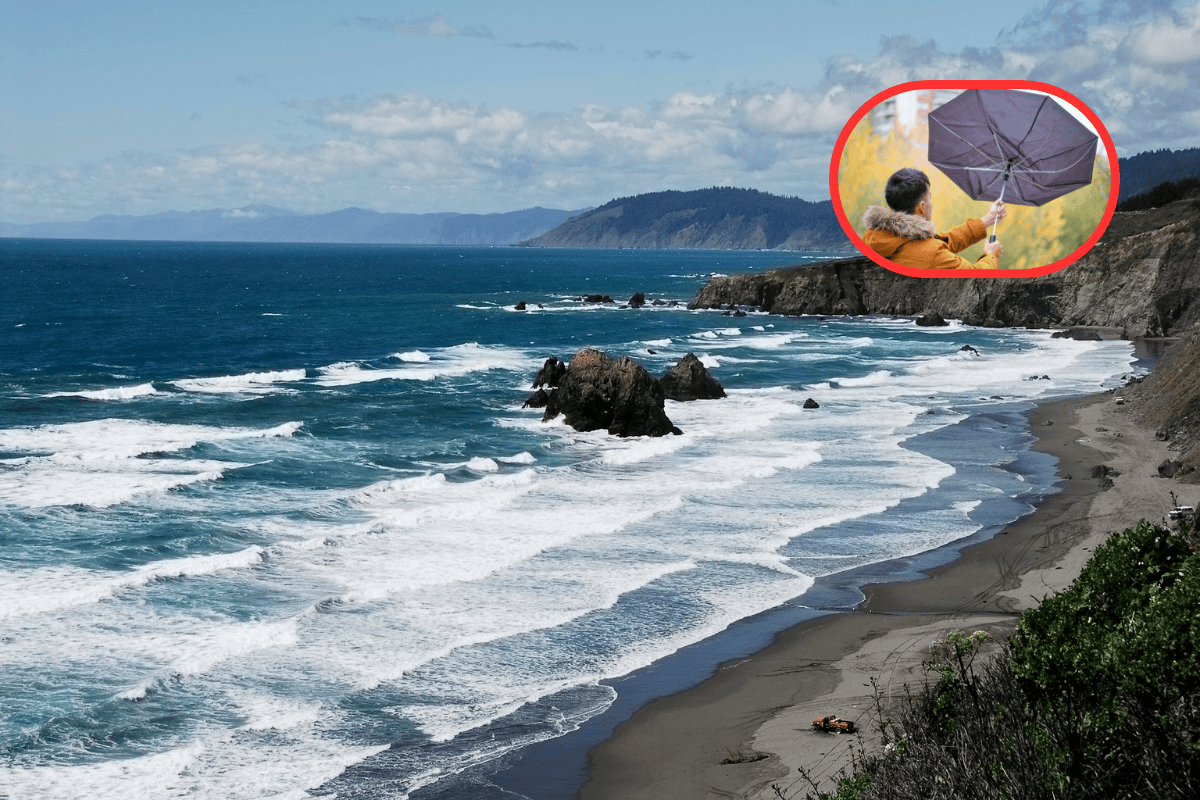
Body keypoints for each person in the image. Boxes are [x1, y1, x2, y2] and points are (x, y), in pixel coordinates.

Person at [862, 168, 1006, 270]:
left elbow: (943, 240)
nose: (932, 203)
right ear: (922, 207)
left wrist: (990, 218)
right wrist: (991, 255)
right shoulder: (932, 255)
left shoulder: (875, 238)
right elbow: (975, 277)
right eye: (930, 197)